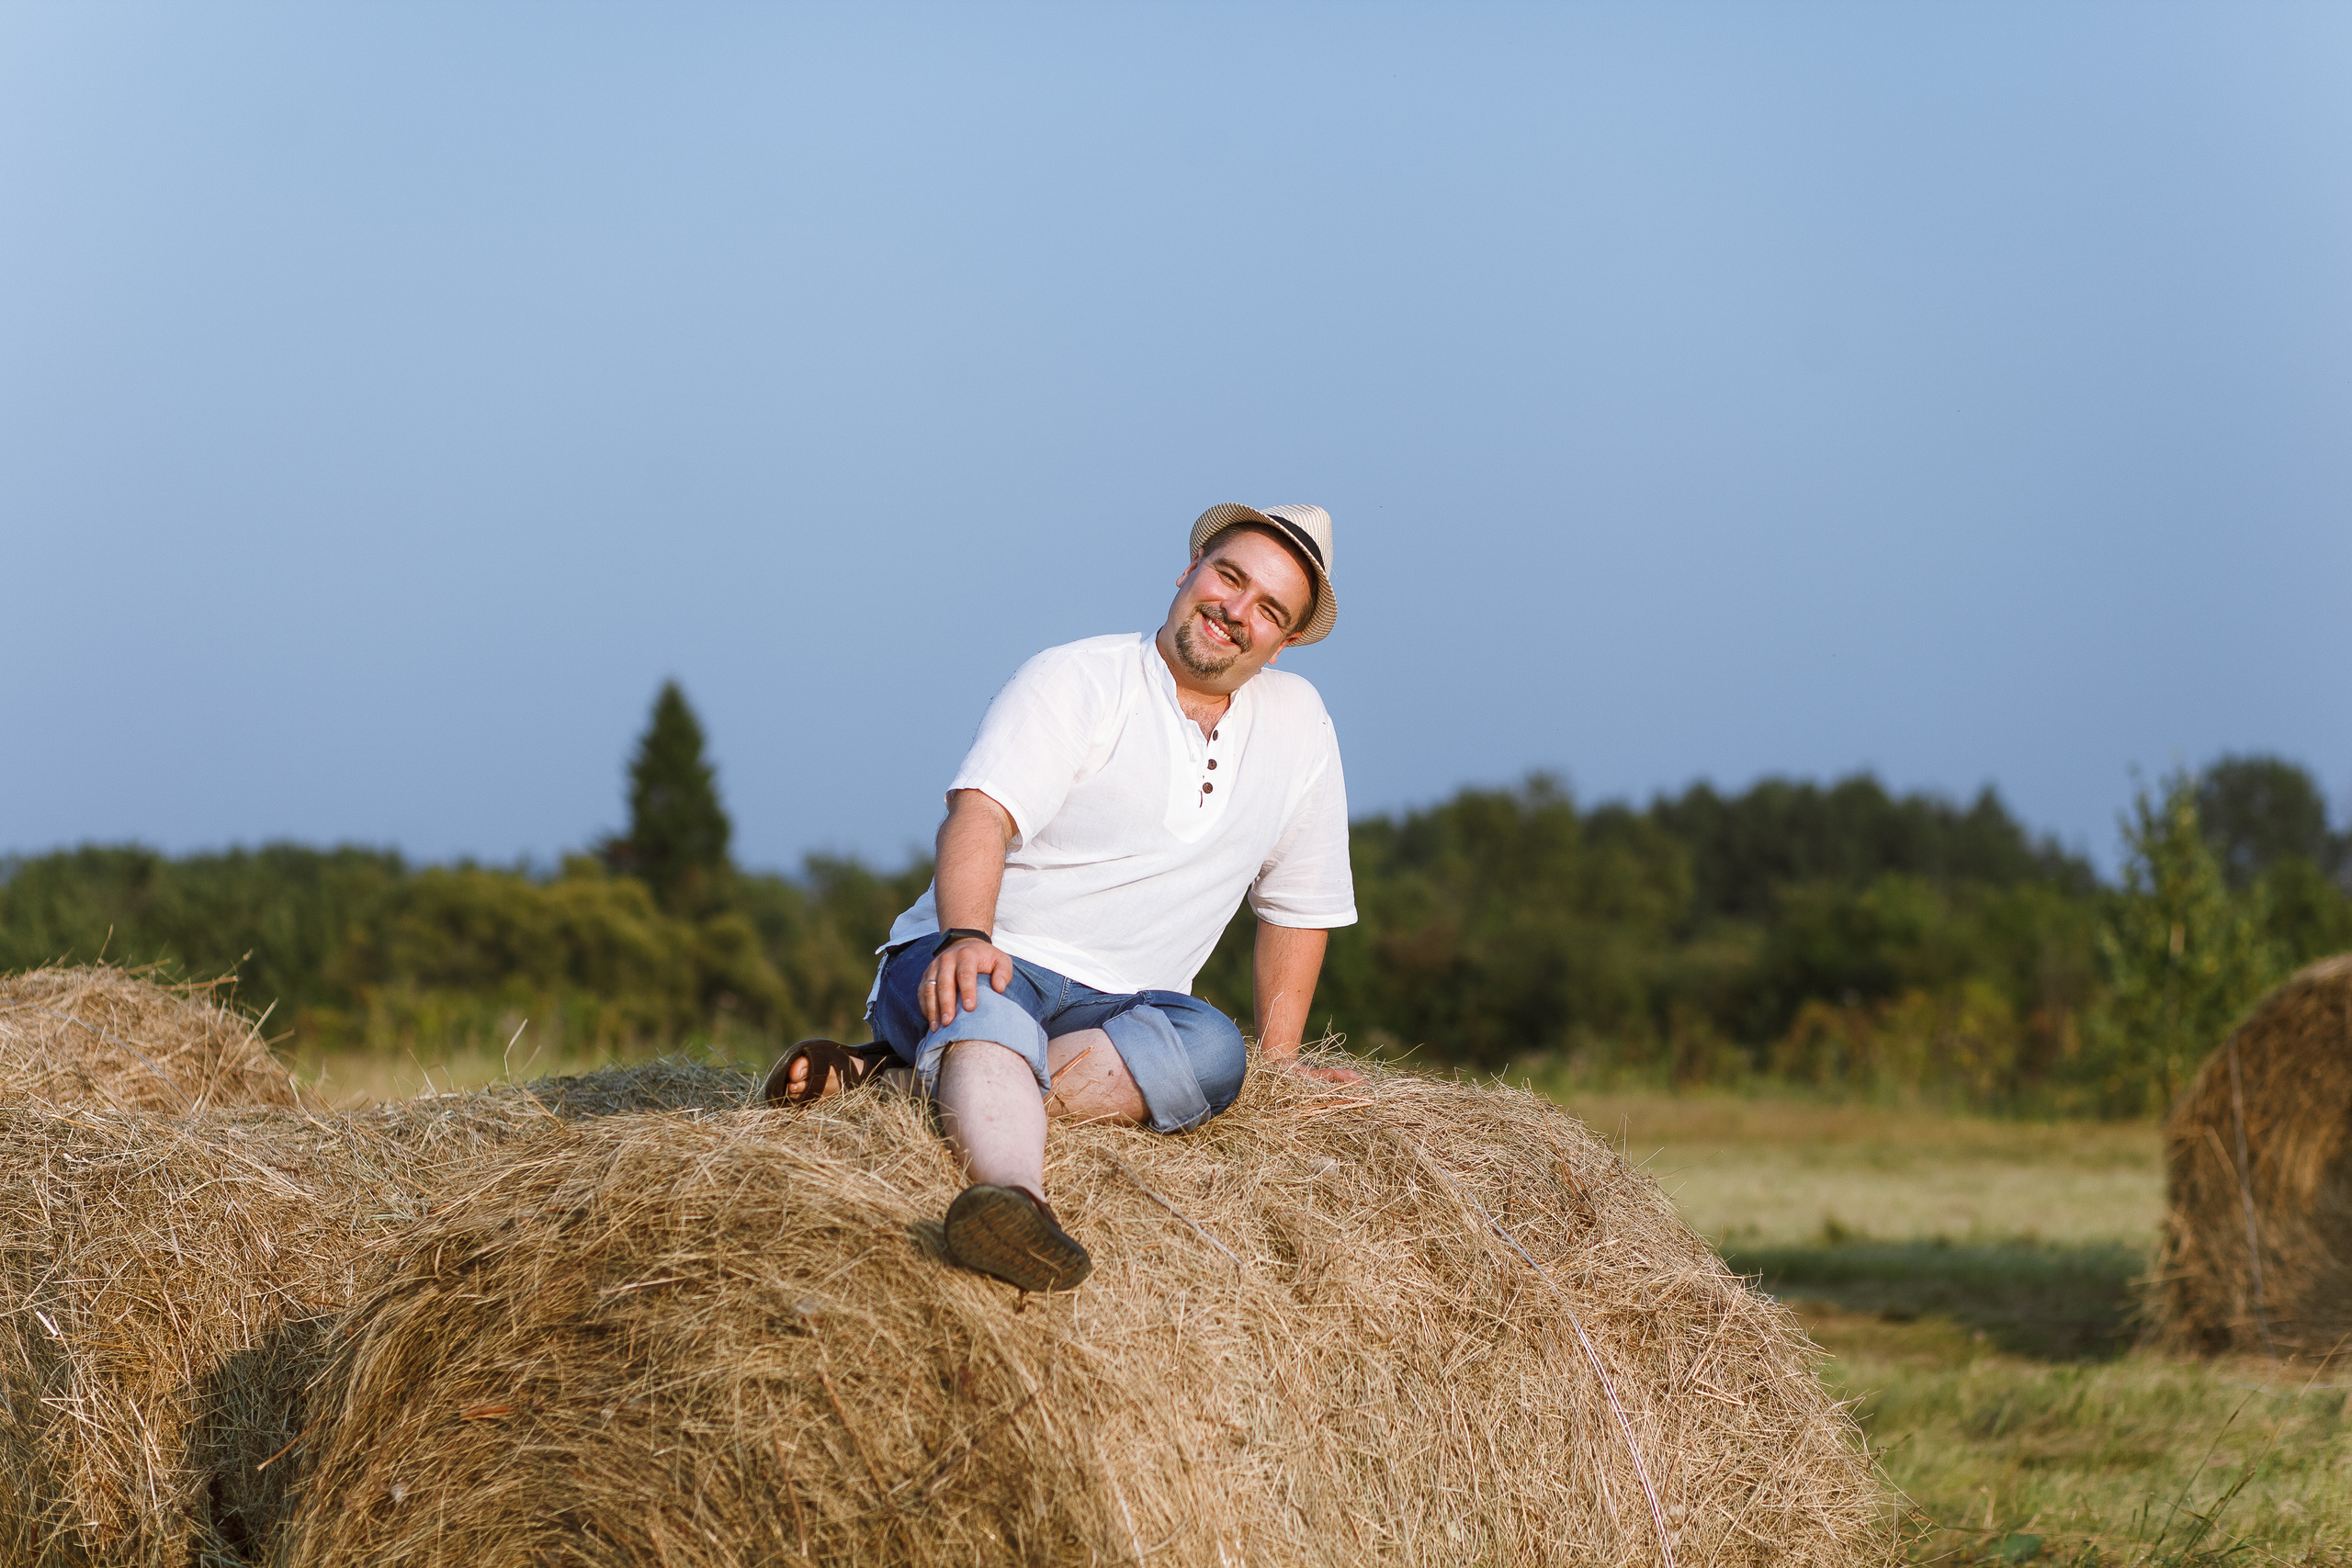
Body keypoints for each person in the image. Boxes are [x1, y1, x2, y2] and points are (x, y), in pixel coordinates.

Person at [763, 503, 1359, 1293]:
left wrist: (1280, 1069)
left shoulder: (1301, 727)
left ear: (1281, 645)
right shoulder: (1077, 677)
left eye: (1268, 610)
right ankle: (1015, 1204)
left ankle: (894, 1085)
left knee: (1218, 1051)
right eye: (1229, 576)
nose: (1235, 611)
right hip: (981, 957)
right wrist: (966, 935)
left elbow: (1298, 905)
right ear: (1190, 569)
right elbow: (980, 814)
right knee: (988, 1005)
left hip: (1120, 1011)